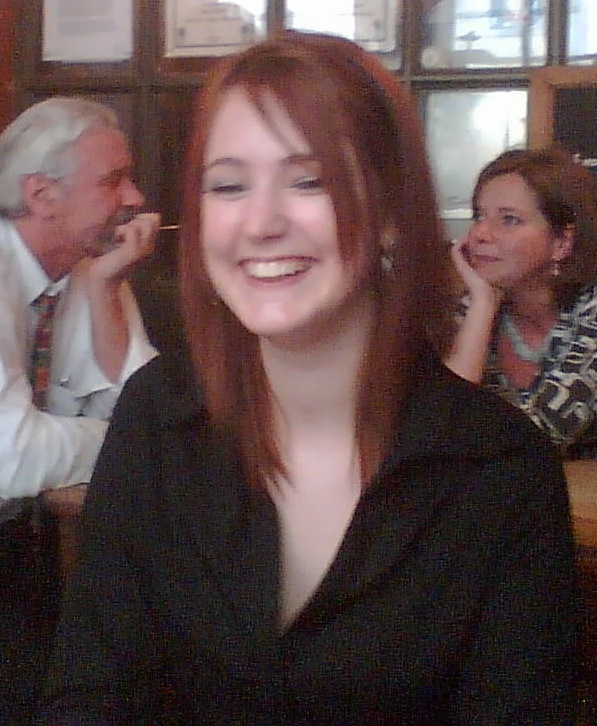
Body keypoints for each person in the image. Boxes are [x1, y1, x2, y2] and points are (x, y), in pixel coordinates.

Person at [39, 33, 577, 724]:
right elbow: (91, 695)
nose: (260, 222)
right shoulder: (158, 418)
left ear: (387, 209)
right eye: (228, 185)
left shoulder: (499, 471)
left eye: (309, 180)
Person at [0, 96, 159, 723]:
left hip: (30, 545)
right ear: (42, 195)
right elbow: (10, 457)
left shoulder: (88, 273)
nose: (134, 196)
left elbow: (152, 419)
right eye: (113, 180)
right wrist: (114, 438)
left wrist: (106, 291)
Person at [446, 147, 597, 458]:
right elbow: (435, 420)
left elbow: (534, 438)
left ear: (562, 242)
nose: (479, 234)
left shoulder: (591, 311)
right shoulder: (476, 304)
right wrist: (483, 305)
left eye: (509, 220)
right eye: (478, 216)